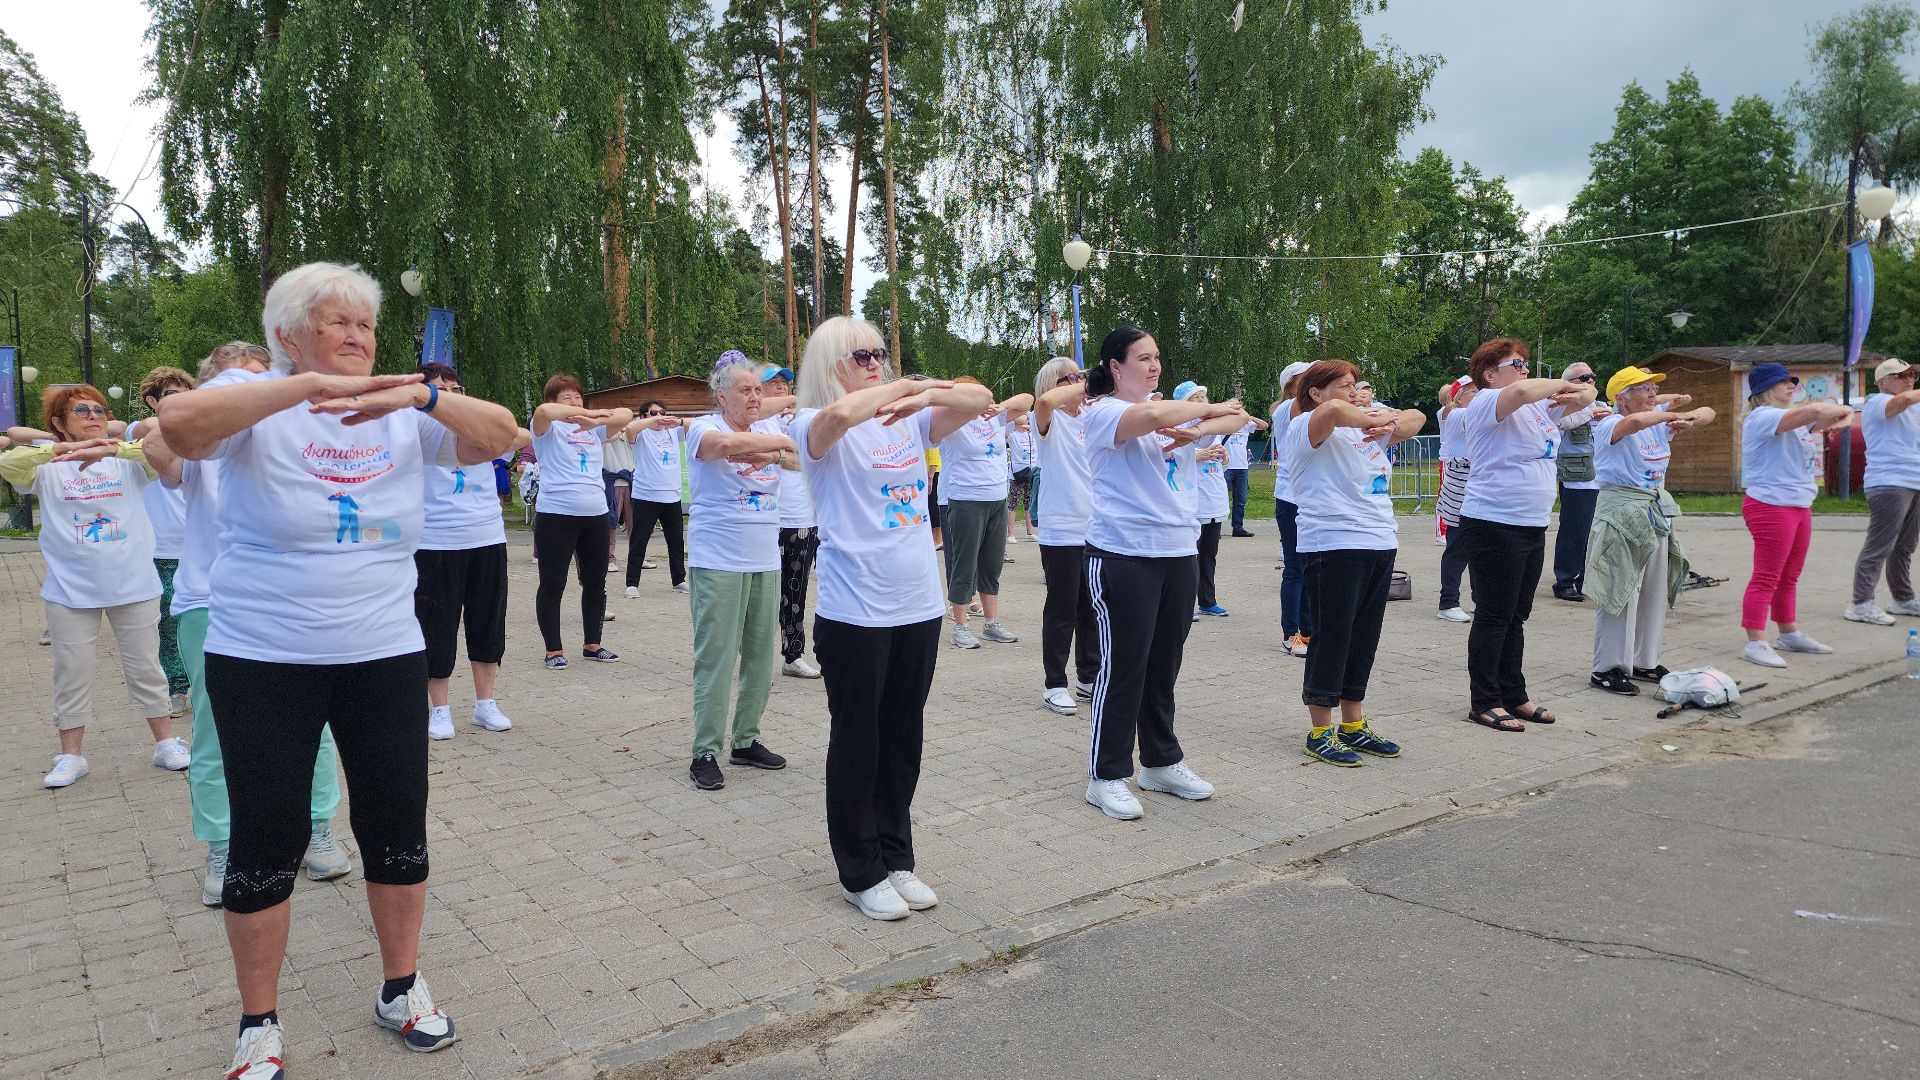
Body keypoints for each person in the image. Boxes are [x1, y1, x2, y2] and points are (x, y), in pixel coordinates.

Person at [157, 261, 517, 1074]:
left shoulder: (401, 410)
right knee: (266, 838)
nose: (358, 338)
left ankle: (401, 987)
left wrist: (420, 397)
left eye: (366, 326)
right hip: (263, 654)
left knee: (395, 826)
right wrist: (305, 388)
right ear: (289, 335)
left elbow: (501, 436)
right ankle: (258, 1022)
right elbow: (179, 428)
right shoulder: (255, 398)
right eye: (338, 323)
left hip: (383, 650)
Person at [791, 316, 991, 920]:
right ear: (832, 364)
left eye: (880, 353)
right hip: (855, 612)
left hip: (918, 605)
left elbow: (980, 398)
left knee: (903, 738)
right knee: (859, 742)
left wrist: (921, 395)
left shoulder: (911, 419)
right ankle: (860, 870)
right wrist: (903, 389)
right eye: (863, 355)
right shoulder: (813, 423)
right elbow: (837, 418)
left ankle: (896, 855)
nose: (877, 362)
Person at [158, 343, 353, 907]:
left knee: (315, 724)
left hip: (293, 601)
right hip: (212, 601)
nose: (249, 390)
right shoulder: (201, 437)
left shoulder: (295, 435)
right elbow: (161, 449)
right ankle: (223, 844)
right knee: (216, 729)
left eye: (259, 379)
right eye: (233, 381)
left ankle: (317, 827)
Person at [1079, 325, 1250, 821]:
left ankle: (1160, 762)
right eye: (1143, 358)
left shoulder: (1171, 413)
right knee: (1123, 668)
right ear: (1115, 367)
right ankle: (1106, 775)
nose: (1154, 366)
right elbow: (1153, 416)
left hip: (1179, 551)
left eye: (1157, 357)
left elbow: (1241, 418)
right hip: (1123, 555)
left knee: (1164, 665)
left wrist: (1199, 427)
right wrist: (1207, 410)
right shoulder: (1104, 413)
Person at [1, 384, 185, 789]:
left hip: (133, 585)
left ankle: (165, 744)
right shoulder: (45, 465)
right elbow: (9, 464)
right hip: (71, 591)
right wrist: (60, 449)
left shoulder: (127, 461)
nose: (93, 416)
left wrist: (110, 448)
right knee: (72, 671)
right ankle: (71, 755)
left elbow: (160, 444)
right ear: (58, 422)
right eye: (81, 411)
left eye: (100, 410)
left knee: (146, 668)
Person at [1453, 337, 1595, 732]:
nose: (1525, 370)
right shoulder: (1485, 401)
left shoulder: (1536, 407)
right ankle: (1484, 701)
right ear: (1489, 374)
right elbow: (1520, 391)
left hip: (1531, 523)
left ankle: (1514, 694)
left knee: (1516, 615)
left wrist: (1575, 389)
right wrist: (1563, 385)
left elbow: (1587, 398)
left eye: (1525, 364)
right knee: (1494, 615)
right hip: (1493, 522)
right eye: (1517, 364)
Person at [1286, 360, 1422, 766]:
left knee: (1363, 638)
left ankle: (1353, 724)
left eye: (1356, 385)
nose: (1354, 392)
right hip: (1332, 542)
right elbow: (1332, 411)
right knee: (1332, 636)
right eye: (1345, 385)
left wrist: (1386, 420)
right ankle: (1320, 731)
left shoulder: (1365, 428)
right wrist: (1374, 417)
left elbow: (1417, 417)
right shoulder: (1306, 425)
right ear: (1316, 391)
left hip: (1378, 539)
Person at [684, 354, 796, 790]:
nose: (755, 397)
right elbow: (722, 447)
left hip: (765, 558)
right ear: (722, 396)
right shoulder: (702, 427)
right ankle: (705, 751)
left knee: (760, 657)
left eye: (758, 390)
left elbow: (801, 459)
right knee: (716, 657)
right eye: (745, 390)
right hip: (719, 560)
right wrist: (775, 449)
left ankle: (746, 740)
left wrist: (775, 452)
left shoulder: (768, 429)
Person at [414, 362, 531, 739]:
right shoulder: (416, 427)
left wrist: (478, 425)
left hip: (486, 537)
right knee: (437, 626)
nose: (450, 396)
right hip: (435, 541)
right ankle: (439, 708)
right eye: (439, 390)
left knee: (488, 622)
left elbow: (519, 434)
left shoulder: (480, 425)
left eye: (456, 390)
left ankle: (485, 703)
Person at [1586, 367, 1716, 694]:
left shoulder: (1657, 420)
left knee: (1654, 590)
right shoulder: (1609, 423)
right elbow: (1634, 424)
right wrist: (1670, 416)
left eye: (1653, 388)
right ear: (1622, 397)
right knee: (1620, 588)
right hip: (1621, 511)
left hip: (1654, 510)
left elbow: (1708, 412)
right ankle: (1607, 668)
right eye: (1644, 388)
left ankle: (1645, 660)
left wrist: (1689, 420)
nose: (1652, 394)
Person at [1738, 363, 1850, 668]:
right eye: (1784, 381)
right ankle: (1755, 642)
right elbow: (1817, 412)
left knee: (1789, 575)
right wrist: (1830, 411)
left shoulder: (1792, 418)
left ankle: (1788, 633)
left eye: (1793, 381)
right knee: (1766, 576)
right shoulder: (1762, 416)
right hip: (1770, 504)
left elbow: (1838, 415)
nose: (1792, 385)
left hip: (1799, 504)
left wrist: (1839, 413)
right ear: (1765, 389)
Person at [530, 375, 631, 668]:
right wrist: (586, 414)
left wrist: (592, 419)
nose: (575, 403)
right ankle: (553, 650)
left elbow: (626, 415)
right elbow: (543, 411)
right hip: (556, 514)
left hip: (595, 514)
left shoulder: (593, 428)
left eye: (578, 397)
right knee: (553, 583)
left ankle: (592, 644)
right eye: (567, 398)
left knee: (595, 581)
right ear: (554, 401)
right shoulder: (546, 429)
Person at [937, 378, 1033, 649]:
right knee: (964, 564)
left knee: (991, 564)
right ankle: (961, 626)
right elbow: (935, 405)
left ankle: (991, 623)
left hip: (996, 499)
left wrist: (1000, 406)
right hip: (966, 500)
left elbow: (1027, 400)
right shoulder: (952, 423)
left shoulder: (994, 419)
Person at [1031, 357, 1098, 715]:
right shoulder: (1047, 419)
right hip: (1061, 528)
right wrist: (1089, 383)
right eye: (1069, 378)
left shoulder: (1089, 417)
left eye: (1080, 376)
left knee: (1092, 607)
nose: (1079, 383)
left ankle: (1089, 675)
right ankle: (1054, 683)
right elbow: (1043, 402)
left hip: (1096, 527)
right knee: (1062, 608)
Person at [754, 366, 826, 678]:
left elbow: (815, 455)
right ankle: (752, 657)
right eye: (773, 382)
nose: (781, 387)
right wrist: (789, 454)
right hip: (767, 520)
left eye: (785, 382)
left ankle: (793, 655)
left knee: (795, 592)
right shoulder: (757, 422)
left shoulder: (799, 420)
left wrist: (783, 454)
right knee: (761, 594)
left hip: (804, 519)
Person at [134, 366, 197, 717]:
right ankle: (175, 687)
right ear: (152, 401)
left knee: (206, 621)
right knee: (168, 623)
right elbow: (145, 427)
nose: (182, 401)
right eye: (172, 395)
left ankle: (208, 685)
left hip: (202, 547)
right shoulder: (142, 432)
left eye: (188, 394)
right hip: (162, 550)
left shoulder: (204, 434)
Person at [1844, 357, 1920, 624]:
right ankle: (1861, 603)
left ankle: (1903, 599)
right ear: (1883, 382)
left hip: (1914, 481)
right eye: (1901, 375)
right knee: (1880, 545)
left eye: (1912, 375)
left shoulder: (1914, 407)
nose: (1909, 379)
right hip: (1889, 482)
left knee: (1905, 546)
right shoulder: (1877, 401)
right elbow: (1903, 401)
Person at [1174, 381, 1234, 618]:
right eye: (1194, 398)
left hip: (1214, 500)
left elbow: (1221, 464)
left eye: (1202, 397)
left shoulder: (1213, 427)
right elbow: (1173, 459)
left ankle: (1207, 601)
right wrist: (1198, 455)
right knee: (1190, 557)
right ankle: (1185, 604)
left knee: (1209, 555)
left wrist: (1224, 457)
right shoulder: (1178, 427)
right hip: (1192, 501)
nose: (1200, 401)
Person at [622, 399, 690, 596]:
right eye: (653, 413)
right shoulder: (641, 434)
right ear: (644, 416)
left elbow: (697, 425)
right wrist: (652, 421)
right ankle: (632, 583)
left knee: (676, 542)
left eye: (662, 412)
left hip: (672, 496)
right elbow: (630, 429)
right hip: (646, 496)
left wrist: (677, 422)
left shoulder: (673, 432)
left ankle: (679, 580)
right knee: (639, 541)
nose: (659, 416)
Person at [1550, 361, 1604, 601]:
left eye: (1592, 376)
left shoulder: (1602, 406)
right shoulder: (1561, 407)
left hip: (1600, 479)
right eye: (1583, 378)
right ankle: (1564, 581)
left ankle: (1586, 580)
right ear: (1569, 384)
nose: (1590, 381)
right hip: (1576, 480)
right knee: (1574, 532)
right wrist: (1590, 413)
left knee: (1594, 534)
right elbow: (1562, 424)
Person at [1270, 361, 1314, 656]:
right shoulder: (1286, 408)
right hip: (1290, 498)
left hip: (1312, 497)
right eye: (1308, 378)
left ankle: (1309, 632)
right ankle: (1291, 633)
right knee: (1295, 568)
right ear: (1292, 384)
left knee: (1312, 566)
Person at [1435, 376, 1475, 623]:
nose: (1479, 396)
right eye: (1473, 392)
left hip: (1479, 483)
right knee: (1457, 547)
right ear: (1458, 398)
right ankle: (1448, 602)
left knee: (1482, 548)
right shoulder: (1456, 415)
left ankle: (1480, 599)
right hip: (1460, 486)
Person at [601, 402, 636, 571]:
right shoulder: (605, 434)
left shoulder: (630, 435)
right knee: (611, 521)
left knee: (634, 522)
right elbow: (608, 436)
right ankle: (609, 558)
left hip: (630, 481)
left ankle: (637, 557)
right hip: (612, 482)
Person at [1224, 407, 1266, 537]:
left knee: (1240, 499)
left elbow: (1264, 425)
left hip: (1242, 467)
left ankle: (1238, 528)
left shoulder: (1246, 425)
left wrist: (1250, 418)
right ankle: (1214, 528)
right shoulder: (1223, 425)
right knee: (1221, 498)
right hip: (1226, 466)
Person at [1007, 412, 1036, 544]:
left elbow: (1038, 421)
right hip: (1017, 473)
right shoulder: (1013, 435)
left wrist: (1028, 415)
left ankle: (1030, 532)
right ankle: (1010, 533)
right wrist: (1015, 415)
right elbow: (1006, 426)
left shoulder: (1032, 434)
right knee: (1013, 502)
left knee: (1028, 502)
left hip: (1031, 471)